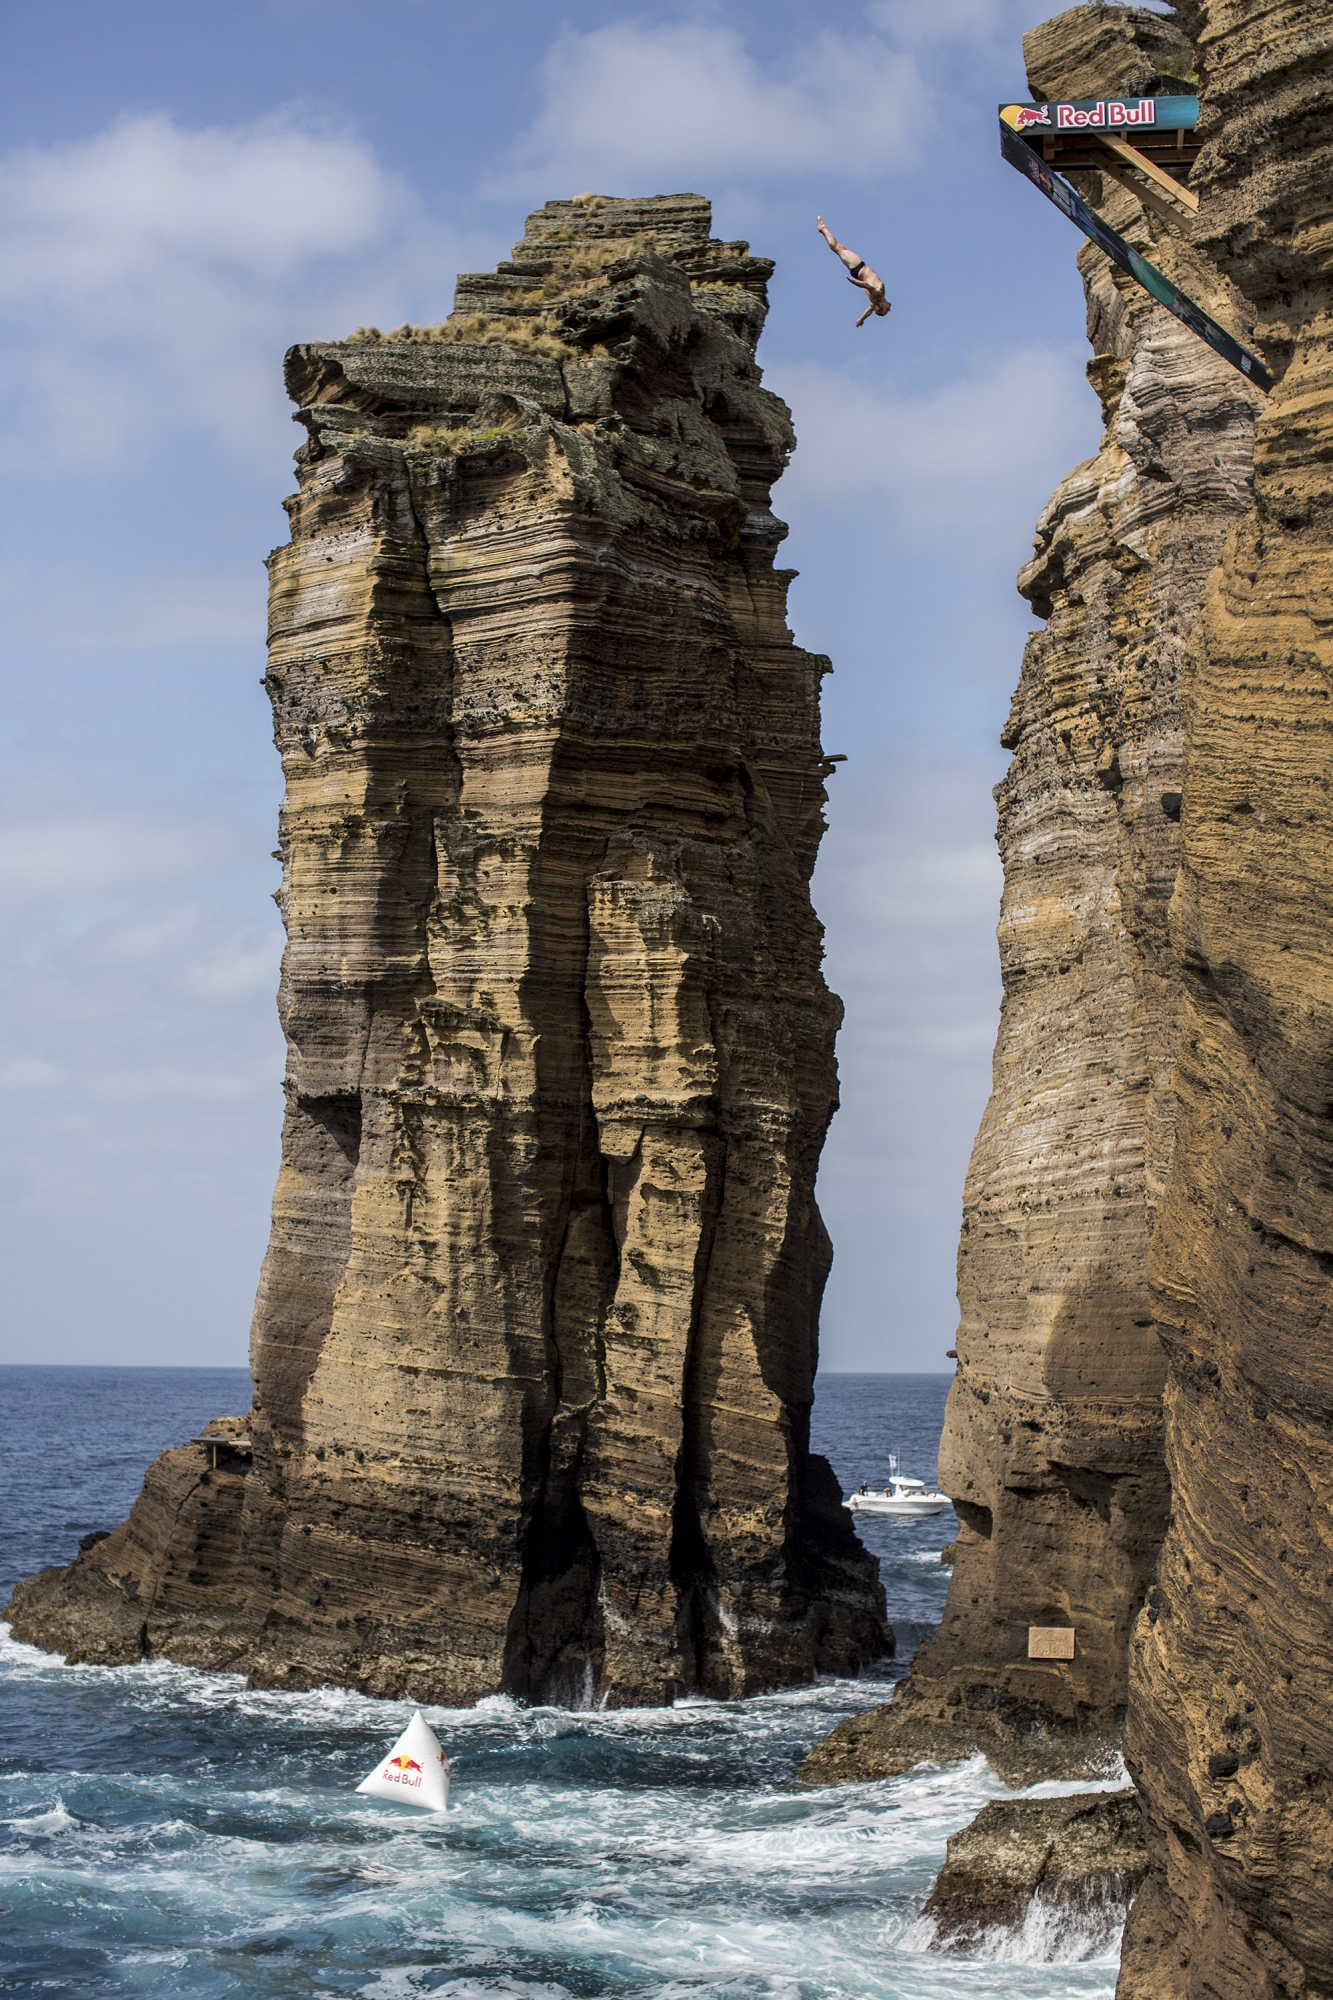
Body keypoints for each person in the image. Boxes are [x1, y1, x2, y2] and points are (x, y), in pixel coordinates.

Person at [817, 216, 891, 327]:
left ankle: (823, 229)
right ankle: (823, 230)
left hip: (858, 267)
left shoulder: (878, 293)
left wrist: (855, 283)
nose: (889, 309)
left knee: (838, 248)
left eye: (886, 310)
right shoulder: (874, 301)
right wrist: (861, 319)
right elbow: (869, 311)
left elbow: (868, 286)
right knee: (839, 249)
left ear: (881, 304)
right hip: (856, 272)